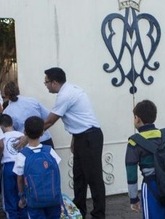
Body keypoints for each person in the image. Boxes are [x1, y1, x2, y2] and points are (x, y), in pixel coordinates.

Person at [43, 67, 106, 218]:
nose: (45, 85)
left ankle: (98, 214)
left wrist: (28, 137)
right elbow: (77, 117)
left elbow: (50, 121)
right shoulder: (70, 90)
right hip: (81, 136)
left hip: (90, 137)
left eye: (46, 82)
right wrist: (74, 138)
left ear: (55, 82)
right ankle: (79, 211)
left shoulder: (65, 95)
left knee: (93, 178)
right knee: (79, 177)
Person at [125, 99, 165, 219]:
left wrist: (133, 198)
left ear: (137, 118)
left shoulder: (134, 142)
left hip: (151, 186)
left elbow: (131, 173)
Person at [14, 116, 62, 219]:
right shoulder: (49, 151)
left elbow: (20, 179)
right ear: (42, 133)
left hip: (34, 201)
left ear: (25, 132)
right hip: (53, 198)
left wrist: (22, 197)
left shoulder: (22, 155)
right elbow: (56, 172)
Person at [3, 81, 54, 147]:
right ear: (18, 90)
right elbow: (48, 117)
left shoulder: (7, 112)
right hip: (44, 139)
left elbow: (10, 133)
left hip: (26, 144)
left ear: (6, 95)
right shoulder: (33, 101)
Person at [0, 113, 28, 219]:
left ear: (0, 126)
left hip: (8, 167)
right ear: (12, 123)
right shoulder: (21, 135)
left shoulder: (1, 136)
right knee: (23, 196)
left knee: (9, 198)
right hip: (22, 166)